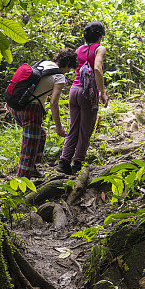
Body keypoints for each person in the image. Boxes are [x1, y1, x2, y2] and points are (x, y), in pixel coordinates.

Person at [9, 49, 77, 179]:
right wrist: (59, 127)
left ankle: (32, 168)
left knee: (40, 135)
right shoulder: (59, 77)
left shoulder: (42, 63)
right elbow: (53, 103)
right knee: (28, 148)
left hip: (15, 106)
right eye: (69, 68)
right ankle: (22, 182)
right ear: (67, 62)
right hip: (31, 111)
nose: (68, 72)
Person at [57, 22, 108, 175]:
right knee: (86, 129)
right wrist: (102, 92)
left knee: (74, 127)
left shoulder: (79, 49)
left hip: (74, 90)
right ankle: (77, 164)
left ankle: (64, 161)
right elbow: (97, 68)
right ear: (100, 36)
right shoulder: (100, 48)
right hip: (88, 93)